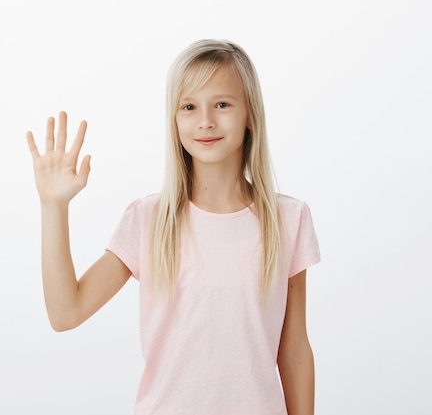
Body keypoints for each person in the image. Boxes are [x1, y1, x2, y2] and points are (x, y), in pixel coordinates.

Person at [26, 39, 321, 415]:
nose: (206, 121)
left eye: (222, 104)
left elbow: (294, 349)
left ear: (250, 115)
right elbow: (66, 313)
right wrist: (53, 207)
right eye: (189, 106)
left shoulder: (288, 220)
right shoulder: (148, 219)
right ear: (174, 119)